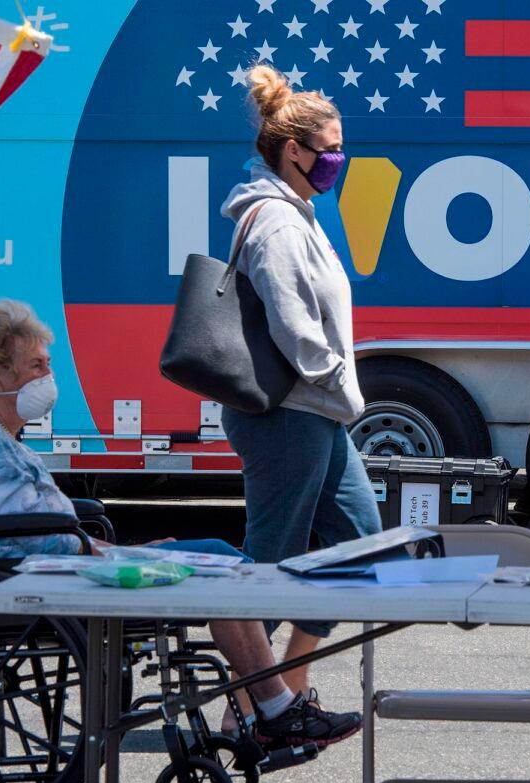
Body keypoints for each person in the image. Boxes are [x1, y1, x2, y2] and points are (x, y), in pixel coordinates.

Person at [0, 299, 362, 751]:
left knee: (221, 559)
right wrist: (121, 553)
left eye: (48, 364)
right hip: (43, 578)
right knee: (221, 563)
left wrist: (125, 549)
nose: (48, 377)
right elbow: (34, 536)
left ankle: (272, 705)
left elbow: (36, 528)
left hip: (60, 562)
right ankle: (275, 706)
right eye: (36, 365)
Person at [217, 65, 382, 732]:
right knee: (270, 566)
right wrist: (341, 382)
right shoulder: (277, 225)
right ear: (296, 150)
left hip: (317, 414)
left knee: (360, 546)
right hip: (288, 413)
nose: (340, 161)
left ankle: (281, 689)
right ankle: (247, 707)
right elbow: (293, 326)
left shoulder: (297, 215)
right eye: (332, 148)